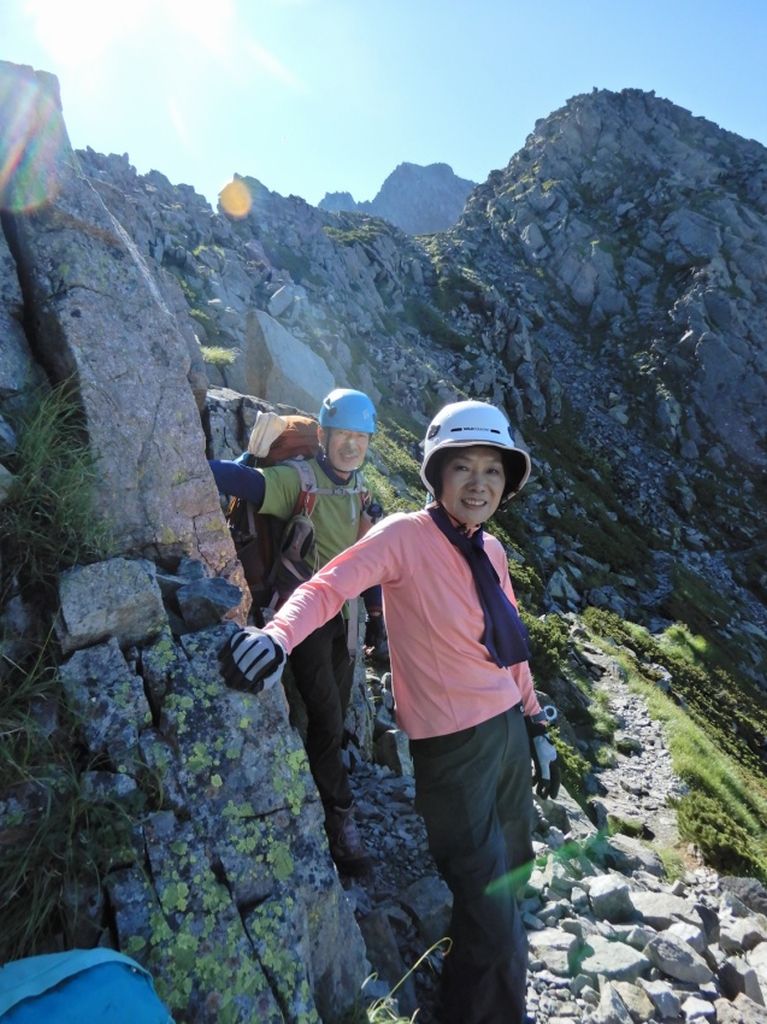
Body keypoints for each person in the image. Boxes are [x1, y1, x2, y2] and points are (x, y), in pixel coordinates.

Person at [220, 399, 558, 1024]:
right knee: (495, 920)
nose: (479, 483)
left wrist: (536, 724)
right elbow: (327, 585)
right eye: (463, 468)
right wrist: (277, 636)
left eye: (493, 470)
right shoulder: (404, 535)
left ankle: (463, 993)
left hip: (508, 736)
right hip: (454, 752)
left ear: (507, 483)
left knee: (512, 877)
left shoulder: (494, 553)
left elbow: (511, 650)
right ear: (437, 474)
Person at [209, 387, 379, 875]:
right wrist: (215, 459)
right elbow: (233, 479)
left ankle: (325, 790)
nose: (352, 445)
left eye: (361, 437)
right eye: (343, 435)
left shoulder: (358, 490)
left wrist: (378, 617)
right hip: (300, 619)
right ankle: (340, 825)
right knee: (326, 716)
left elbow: (367, 556)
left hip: (344, 623)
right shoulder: (295, 480)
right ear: (323, 436)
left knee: (335, 715)